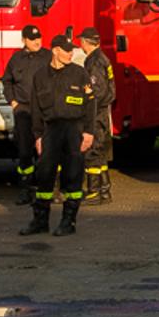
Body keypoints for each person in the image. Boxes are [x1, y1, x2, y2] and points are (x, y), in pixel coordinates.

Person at [21, 35, 95, 237]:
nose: (70, 53)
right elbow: (35, 109)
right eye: (66, 50)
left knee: (73, 175)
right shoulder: (40, 76)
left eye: (71, 50)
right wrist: (37, 135)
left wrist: (89, 132)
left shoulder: (79, 74)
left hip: (74, 129)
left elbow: (91, 105)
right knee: (44, 176)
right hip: (50, 130)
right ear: (55, 51)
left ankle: (68, 221)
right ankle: (40, 221)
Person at [1, 25, 51, 205]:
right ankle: (25, 189)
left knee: (46, 151)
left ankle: (47, 189)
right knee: (24, 152)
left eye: (39, 38)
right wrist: (13, 102)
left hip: (44, 111)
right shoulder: (16, 59)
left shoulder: (48, 56)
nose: (37, 41)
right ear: (24, 40)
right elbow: (7, 82)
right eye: (32, 39)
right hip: (23, 110)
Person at [78, 28, 115, 205]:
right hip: (102, 111)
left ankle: (93, 192)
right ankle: (105, 190)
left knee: (92, 152)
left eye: (81, 41)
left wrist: (86, 106)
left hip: (96, 112)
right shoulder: (103, 59)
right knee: (100, 153)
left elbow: (97, 91)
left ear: (85, 42)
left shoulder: (94, 62)